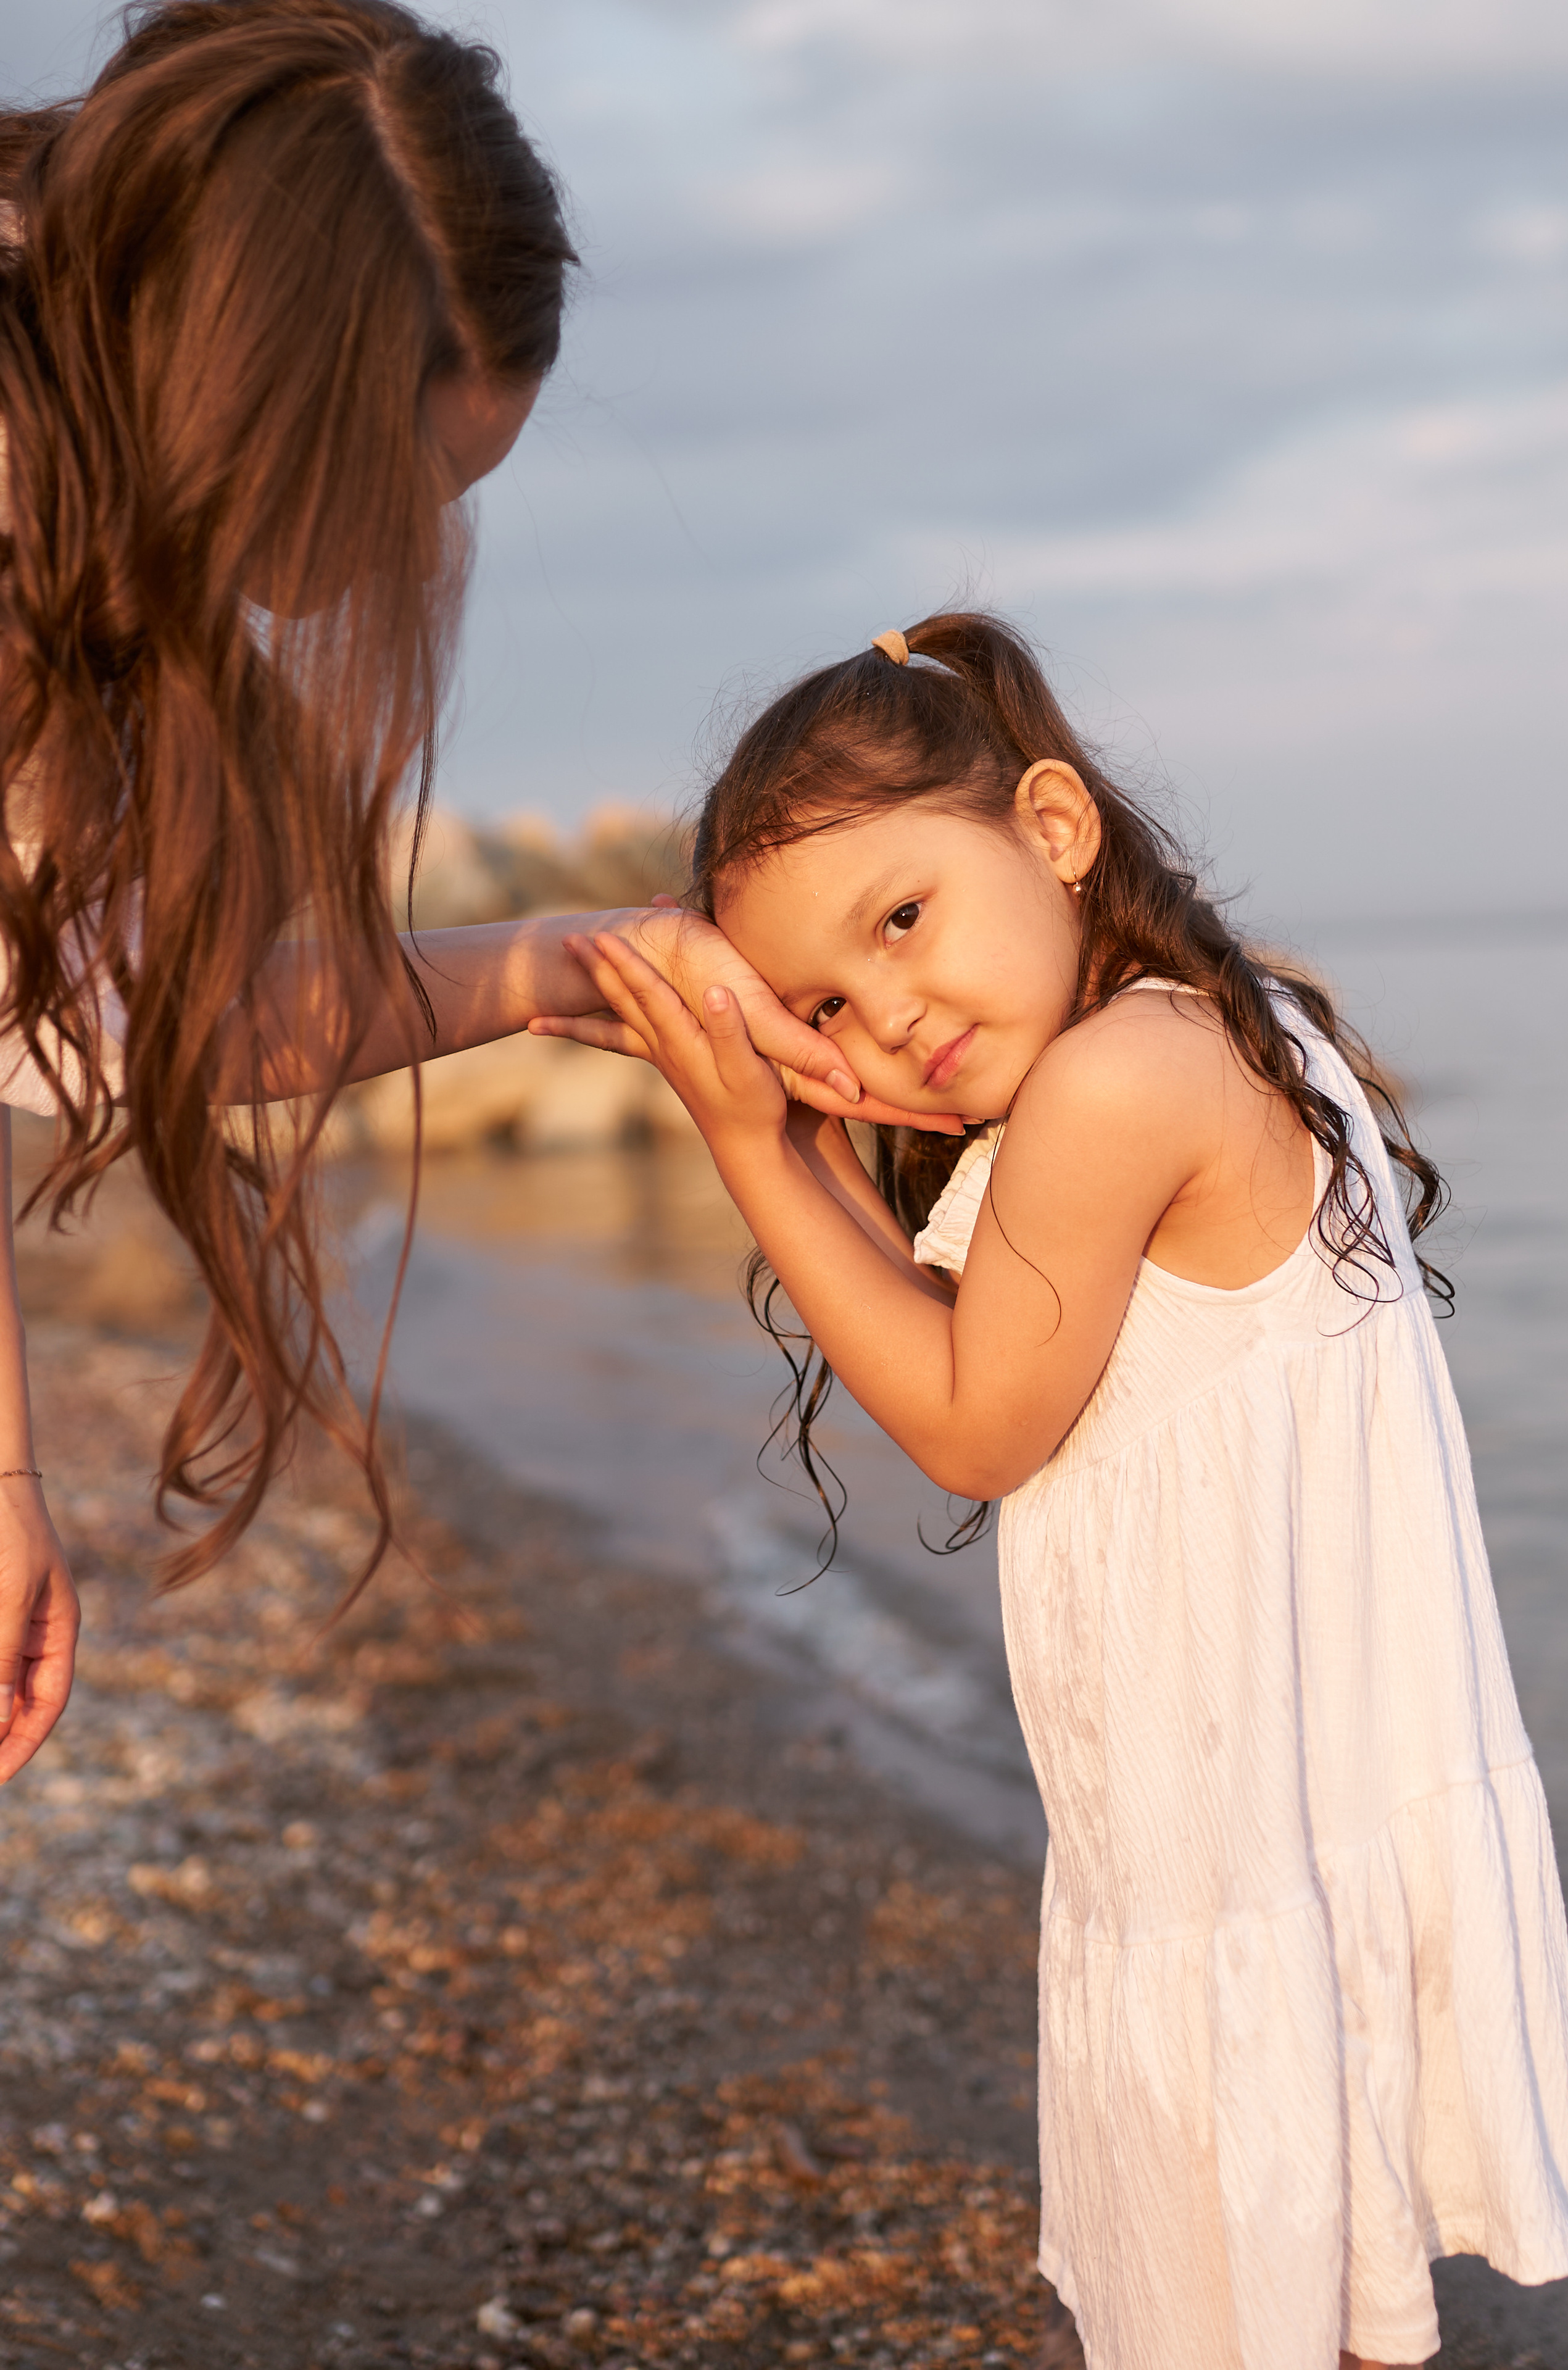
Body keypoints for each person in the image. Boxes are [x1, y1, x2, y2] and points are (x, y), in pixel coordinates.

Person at [541, 610, 1568, 2370]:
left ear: (1051, 827)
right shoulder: (1202, 1027)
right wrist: (783, 1113)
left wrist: (746, 1139)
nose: (893, 1018)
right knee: (1305, 2307)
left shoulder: (1117, 1084)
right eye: (822, 1011)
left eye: (902, 919)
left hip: (1235, 1863)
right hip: (1280, 1835)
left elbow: (969, 1426)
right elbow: (971, 1346)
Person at [0, 0, 930, 1786]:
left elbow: (127, 1026)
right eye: (413, 477)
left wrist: (550, 970)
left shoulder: (84, 512)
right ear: (258, 383)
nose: (404, 548)